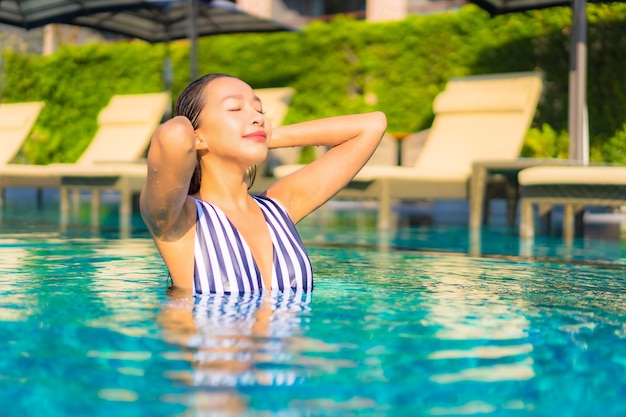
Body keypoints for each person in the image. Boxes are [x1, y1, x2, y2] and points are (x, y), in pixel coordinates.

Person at [140, 73, 386, 295]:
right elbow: (174, 135)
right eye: (235, 108)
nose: (257, 117)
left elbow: (372, 124)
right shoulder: (177, 220)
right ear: (197, 136)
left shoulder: (279, 207)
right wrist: (218, 137)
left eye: (259, 110)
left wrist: (264, 136)